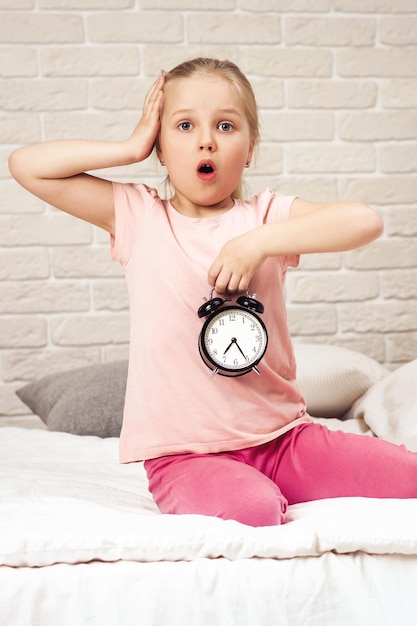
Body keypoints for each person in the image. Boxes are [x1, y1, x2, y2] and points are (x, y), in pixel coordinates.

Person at [9, 57, 417, 527]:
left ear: (250, 147)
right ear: (160, 148)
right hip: (186, 456)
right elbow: (27, 166)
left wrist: (256, 243)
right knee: (254, 509)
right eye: (183, 126)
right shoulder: (139, 217)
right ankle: (242, 488)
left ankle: (278, 480)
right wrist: (128, 146)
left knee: (408, 477)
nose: (206, 139)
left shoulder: (265, 219)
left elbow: (364, 220)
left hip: (284, 440)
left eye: (225, 125)